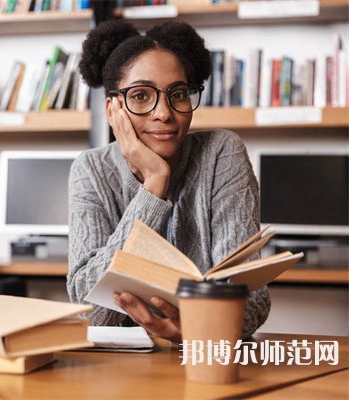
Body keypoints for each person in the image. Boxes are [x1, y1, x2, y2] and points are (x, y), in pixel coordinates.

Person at [67, 19, 270, 343]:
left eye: (178, 94)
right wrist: (154, 184)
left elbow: (252, 296)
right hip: (120, 368)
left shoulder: (222, 152)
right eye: (141, 96)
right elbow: (89, 312)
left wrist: (199, 331)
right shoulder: (91, 170)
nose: (164, 112)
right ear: (113, 108)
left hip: (210, 355)